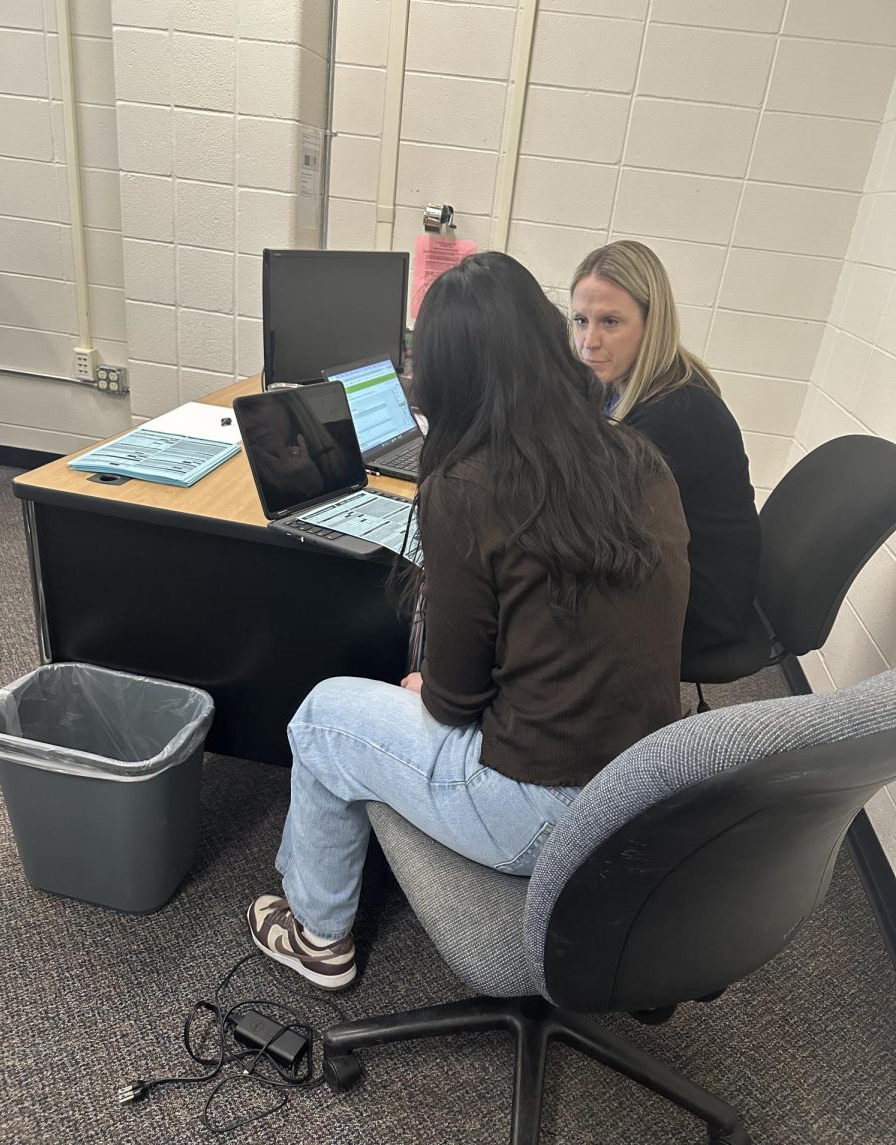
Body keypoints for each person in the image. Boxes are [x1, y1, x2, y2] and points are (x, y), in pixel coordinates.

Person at [247, 252, 690, 990]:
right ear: (551, 339)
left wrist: (429, 685)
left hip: (542, 812)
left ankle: (316, 934)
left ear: (444, 380)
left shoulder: (470, 484)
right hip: (638, 789)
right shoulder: (638, 455)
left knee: (324, 716)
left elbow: (454, 701)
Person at [570, 240, 761, 667]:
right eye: (581, 320)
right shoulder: (640, 382)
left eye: (611, 321)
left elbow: (595, 534)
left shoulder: (670, 418)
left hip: (698, 615)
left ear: (651, 323)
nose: (588, 341)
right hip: (682, 578)